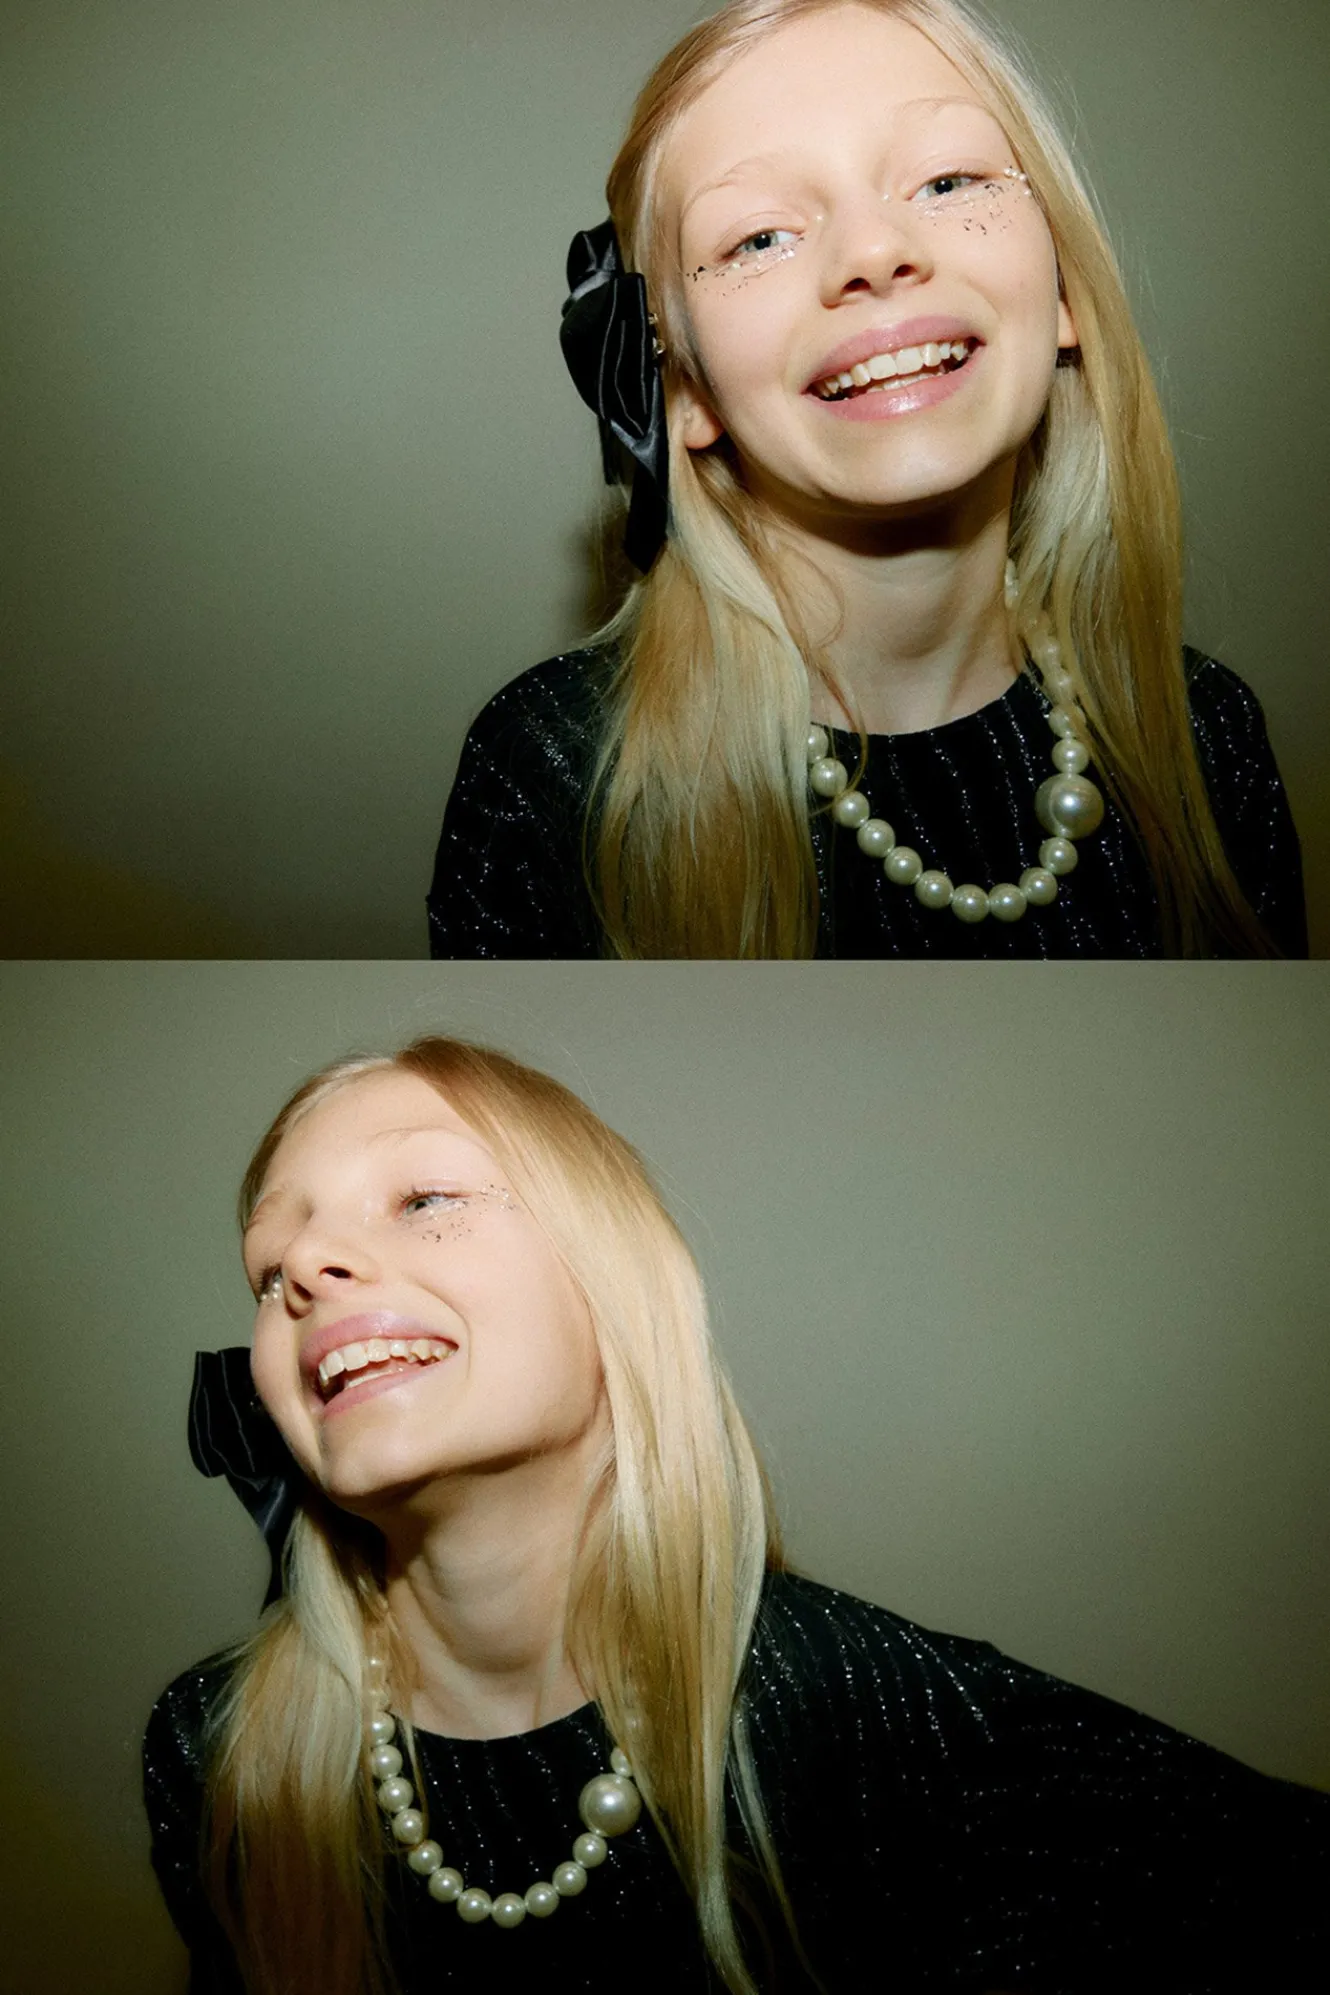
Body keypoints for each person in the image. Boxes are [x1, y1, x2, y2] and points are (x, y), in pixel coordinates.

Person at [144, 1035, 1327, 1994]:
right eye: (269, 1265)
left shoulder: (867, 1710)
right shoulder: (215, 1753)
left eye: (423, 1197)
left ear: (613, 1281)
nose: (310, 1265)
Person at [426, 0, 1304, 961]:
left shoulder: (1209, 739)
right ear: (681, 387)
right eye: (759, 237)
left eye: (947, 180)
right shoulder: (551, 777)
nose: (874, 253)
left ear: (1061, 290)